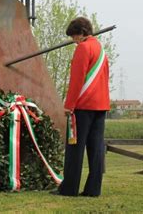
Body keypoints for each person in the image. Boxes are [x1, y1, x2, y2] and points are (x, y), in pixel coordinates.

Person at [55, 17, 110, 197]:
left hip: (83, 105)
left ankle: (69, 188)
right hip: (100, 106)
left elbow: (77, 80)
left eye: (74, 36)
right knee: (96, 150)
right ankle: (93, 189)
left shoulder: (83, 48)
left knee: (74, 148)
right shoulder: (101, 49)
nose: (74, 40)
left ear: (82, 33)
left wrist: (69, 105)